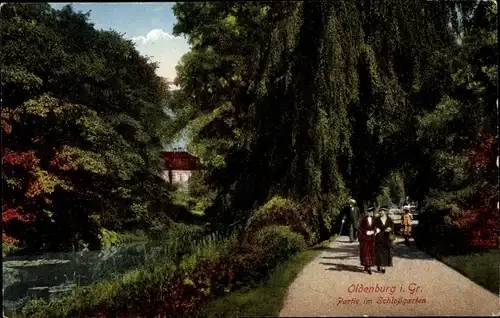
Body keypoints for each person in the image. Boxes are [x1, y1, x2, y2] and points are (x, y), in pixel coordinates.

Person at [374, 206, 394, 274]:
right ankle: (378, 265)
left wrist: (390, 229)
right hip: (378, 238)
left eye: (382, 211)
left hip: (386, 238)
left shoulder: (389, 219)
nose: (381, 212)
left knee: (385, 253)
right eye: (380, 211)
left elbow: (392, 227)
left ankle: (383, 267)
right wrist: (376, 229)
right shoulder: (377, 219)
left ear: (385, 211)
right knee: (378, 253)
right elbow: (373, 227)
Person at [357, 207, 377, 274]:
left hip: (372, 238)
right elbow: (359, 227)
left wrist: (373, 231)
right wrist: (366, 232)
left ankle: (368, 265)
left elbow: (376, 227)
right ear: (367, 212)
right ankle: (367, 266)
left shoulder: (374, 219)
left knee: (371, 251)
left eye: (371, 212)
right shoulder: (363, 219)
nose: (370, 213)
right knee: (365, 252)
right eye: (369, 212)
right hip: (364, 238)